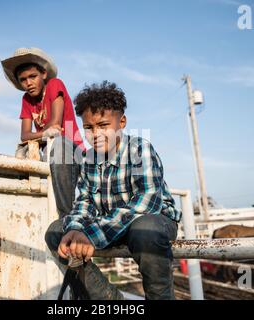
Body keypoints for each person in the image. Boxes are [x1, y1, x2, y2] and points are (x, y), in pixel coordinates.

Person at [45, 81, 182, 300]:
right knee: (56, 231)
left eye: (104, 125)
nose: (95, 134)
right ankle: (110, 300)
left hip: (152, 221)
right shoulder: (89, 159)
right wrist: (75, 228)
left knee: (145, 228)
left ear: (122, 122)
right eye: (89, 128)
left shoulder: (139, 149)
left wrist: (89, 235)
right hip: (109, 223)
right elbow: (85, 202)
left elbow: (147, 203)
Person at [1, 47, 85, 218]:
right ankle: (26, 208)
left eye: (33, 76)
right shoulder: (26, 99)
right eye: (23, 79)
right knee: (22, 152)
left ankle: (66, 218)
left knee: (58, 146)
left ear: (44, 74)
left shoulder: (55, 85)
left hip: (71, 149)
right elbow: (24, 135)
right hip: (48, 150)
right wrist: (42, 135)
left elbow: (55, 126)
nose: (28, 83)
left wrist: (41, 135)